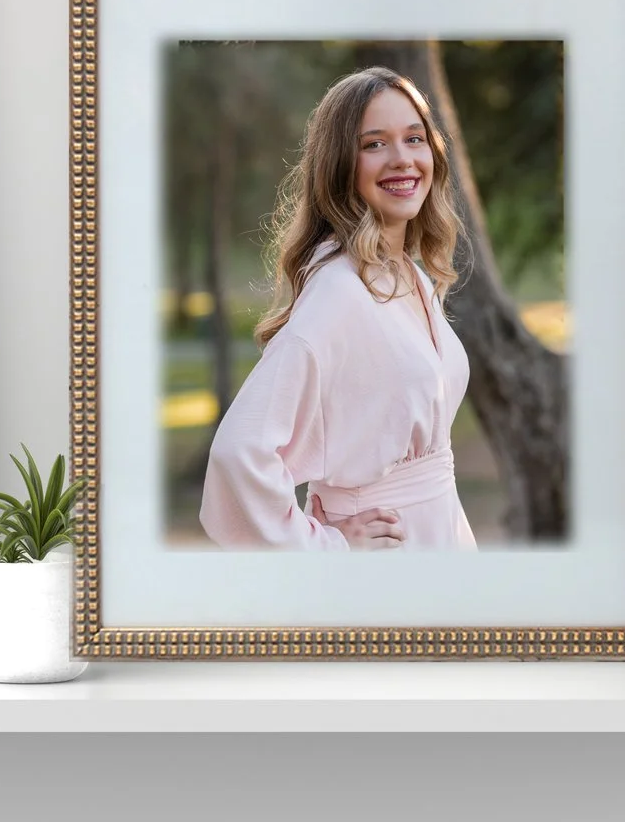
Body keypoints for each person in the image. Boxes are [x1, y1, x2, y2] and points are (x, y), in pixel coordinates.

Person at [199, 67, 479, 552]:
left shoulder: (408, 274)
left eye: (414, 138)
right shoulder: (338, 291)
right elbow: (238, 451)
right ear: (339, 164)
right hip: (387, 558)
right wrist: (325, 546)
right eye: (374, 144)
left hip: (442, 535)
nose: (402, 159)